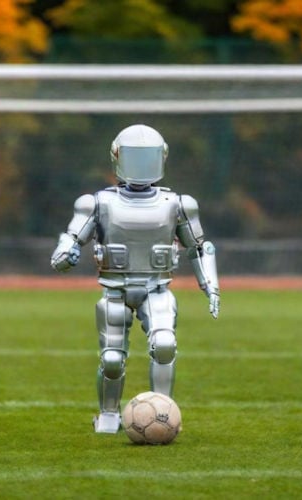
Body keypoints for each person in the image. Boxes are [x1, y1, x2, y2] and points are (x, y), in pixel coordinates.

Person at [50, 124, 220, 434]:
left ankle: (163, 411)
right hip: (115, 289)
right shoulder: (98, 203)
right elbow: (73, 236)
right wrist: (65, 253)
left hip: (157, 286)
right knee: (112, 359)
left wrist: (210, 286)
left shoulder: (177, 204)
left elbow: (199, 247)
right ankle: (109, 414)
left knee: (164, 344)